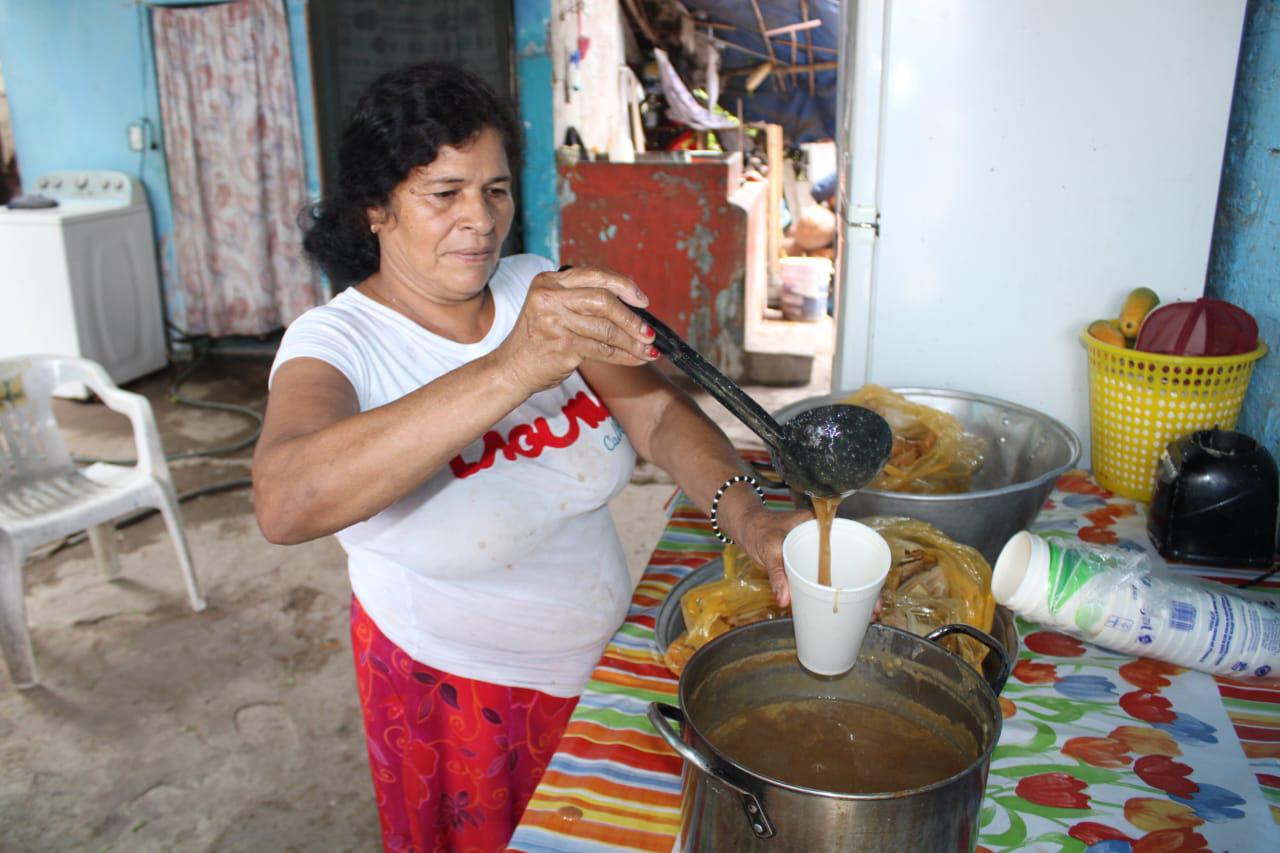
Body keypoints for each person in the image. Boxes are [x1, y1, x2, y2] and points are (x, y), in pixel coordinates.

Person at [251, 61, 811, 851]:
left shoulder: (535, 287)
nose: (479, 219)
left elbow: (654, 415)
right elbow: (285, 500)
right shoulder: (339, 343)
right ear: (376, 207)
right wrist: (515, 365)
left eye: (496, 190)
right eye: (443, 193)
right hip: (455, 691)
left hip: (602, 661)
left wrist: (755, 524)